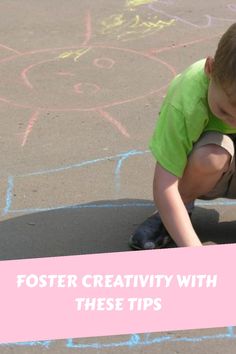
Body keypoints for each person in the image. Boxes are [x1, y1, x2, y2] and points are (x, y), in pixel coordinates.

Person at [129, 23, 236, 250]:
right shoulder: (186, 101)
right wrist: (195, 253)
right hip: (208, 171)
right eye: (224, 111)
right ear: (210, 68)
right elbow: (164, 184)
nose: (232, 122)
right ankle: (176, 213)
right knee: (210, 156)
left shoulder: (222, 91)